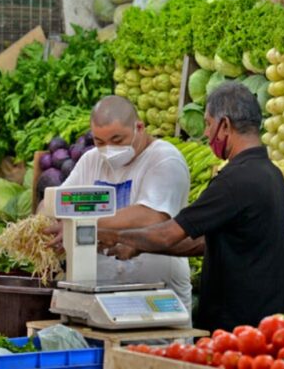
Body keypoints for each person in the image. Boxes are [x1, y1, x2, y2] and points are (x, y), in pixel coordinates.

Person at [98, 82, 284, 332]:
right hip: (268, 321)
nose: (206, 132)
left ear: (224, 125)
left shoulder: (235, 180)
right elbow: (205, 242)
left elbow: (167, 234)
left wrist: (108, 234)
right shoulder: (271, 174)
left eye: (208, 123)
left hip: (237, 327)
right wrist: (136, 247)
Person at [41, 95, 193, 314]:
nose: (108, 149)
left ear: (139, 127)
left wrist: (81, 225)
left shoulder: (165, 159)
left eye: (118, 139)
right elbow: (58, 202)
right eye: (100, 142)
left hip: (157, 300)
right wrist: (43, 220)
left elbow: (151, 217)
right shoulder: (91, 160)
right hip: (99, 298)